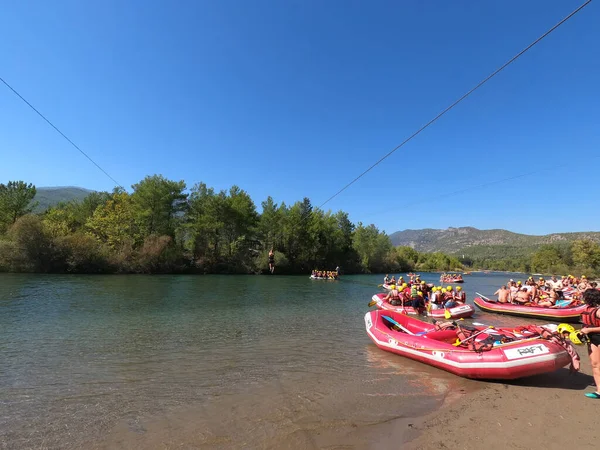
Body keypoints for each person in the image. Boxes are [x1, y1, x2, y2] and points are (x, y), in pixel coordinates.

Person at [579, 289, 600, 399]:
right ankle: (599, 391)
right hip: (592, 339)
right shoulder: (586, 309)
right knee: (595, 364)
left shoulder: (598, 311)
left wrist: (589, 330)